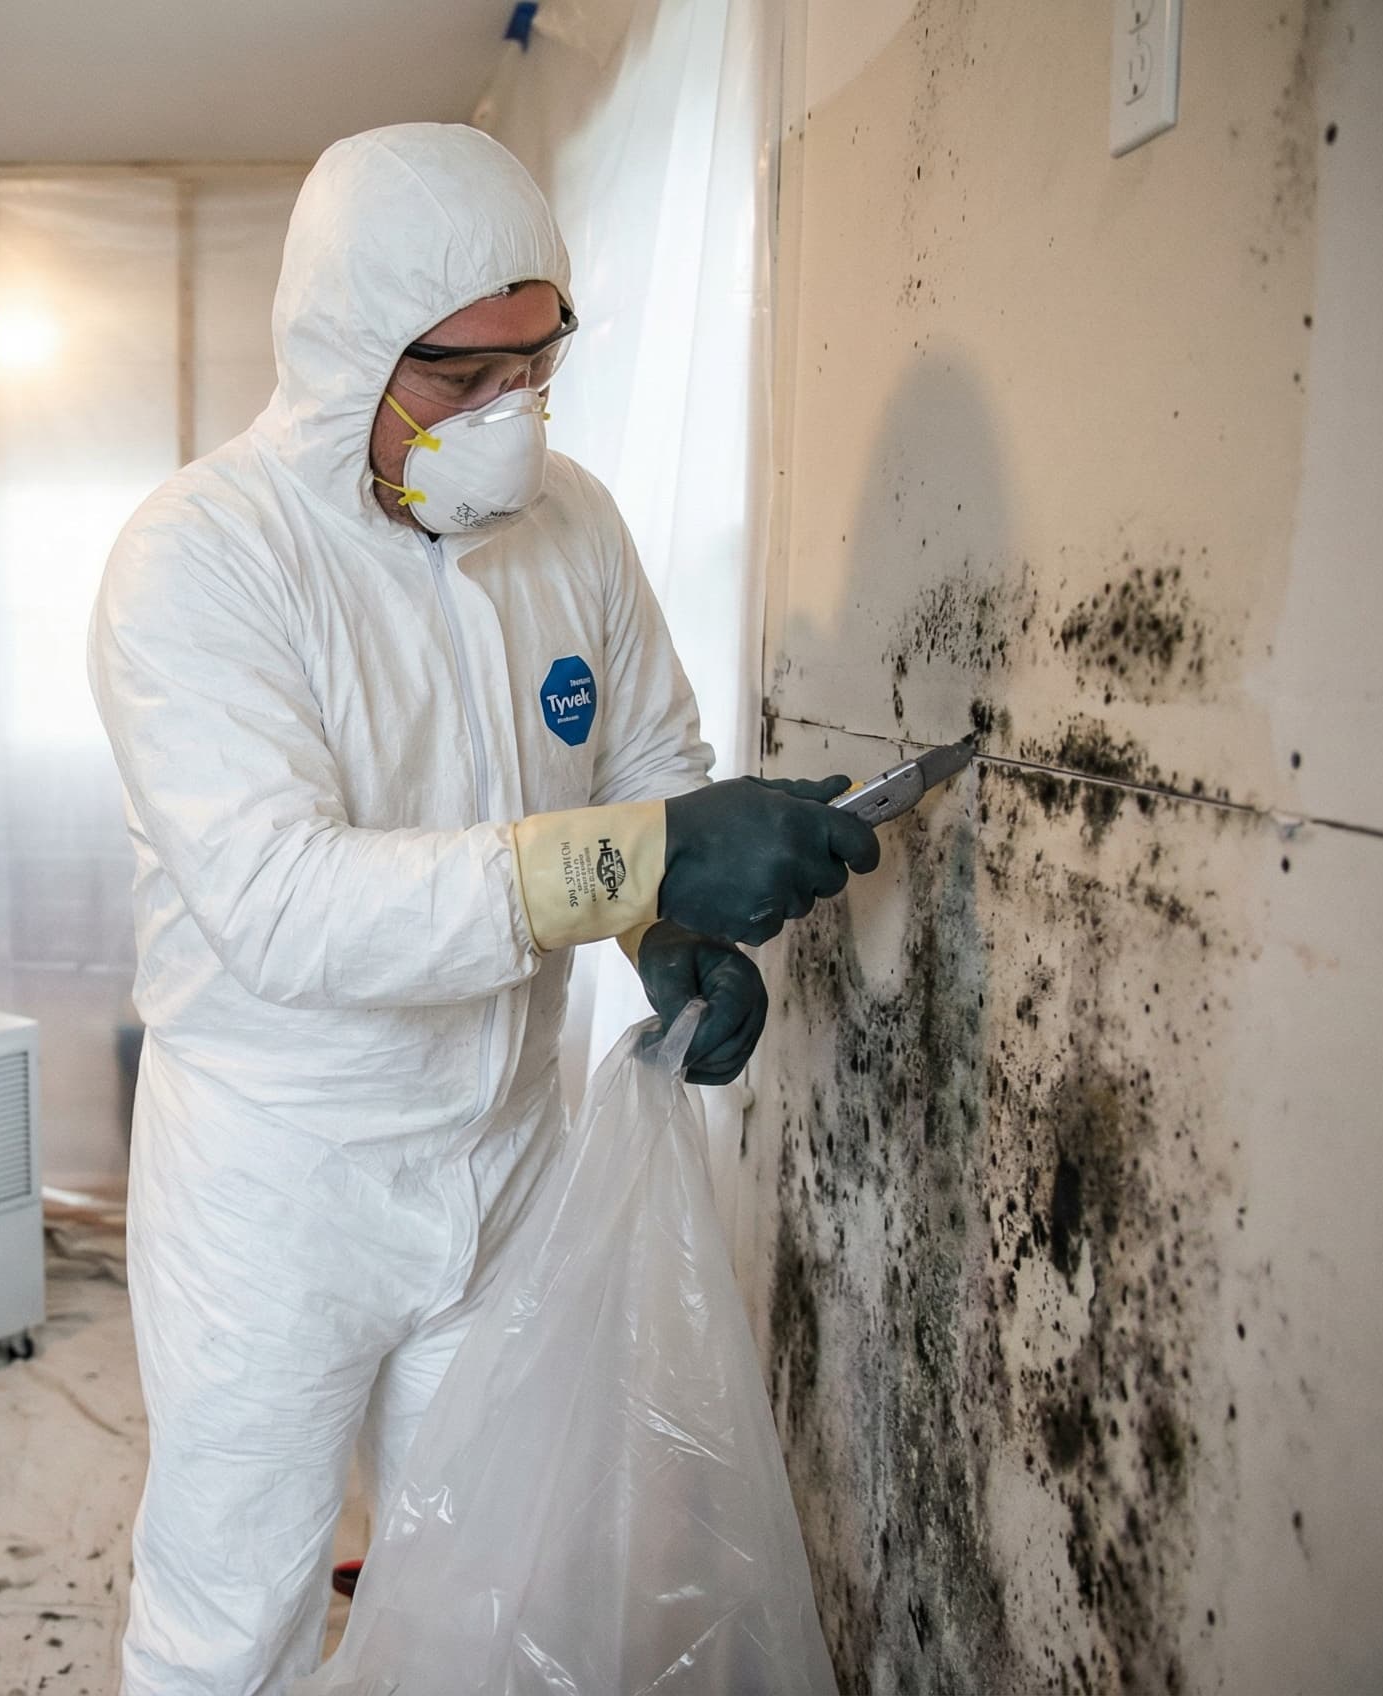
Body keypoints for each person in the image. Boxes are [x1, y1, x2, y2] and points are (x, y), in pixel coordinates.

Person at [87, 123, 879, 1696]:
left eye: (538, 367)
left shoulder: (569, 524)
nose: (509, 417)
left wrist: (672, 943)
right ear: (343, 358)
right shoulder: (202, 562)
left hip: (505, 1158)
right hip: (278, 1190)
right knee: (233, 1616)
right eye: (461, 380)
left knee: (485, 1585)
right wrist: (641, 867)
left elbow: (650, 760)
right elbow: (284, 904)